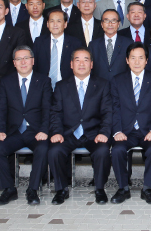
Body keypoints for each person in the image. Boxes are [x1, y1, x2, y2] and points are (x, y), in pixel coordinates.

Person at [48, 48, 113, 205]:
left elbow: (108, 112)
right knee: (55, 150)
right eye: (77, 60)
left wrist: (104, 132)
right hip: (69, 133)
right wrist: (56, 132)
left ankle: (99, 189)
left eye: (86, 60)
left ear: (91, 64)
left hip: (94, 133)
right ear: (71, 64)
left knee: (103, 150)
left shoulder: (102, 85)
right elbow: (55, 113)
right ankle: (61, 189)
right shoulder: (61, 86)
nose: (81, 63)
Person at [0, 45, 51, 206]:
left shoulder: (44, 81)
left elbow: (48, 109)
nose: (23, 62)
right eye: (19, 59)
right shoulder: (6, 82)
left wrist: (44, 130)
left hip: (35, 131)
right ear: (14, 63)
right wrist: (0, 130)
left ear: (33, 61)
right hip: (13, 131)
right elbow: (0, 109)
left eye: (26, 58)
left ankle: (33, 189)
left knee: (43, 148)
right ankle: (9, 189)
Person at [109, 42, 151, 204]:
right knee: (117, 150)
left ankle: (147, 189)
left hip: (148, 130)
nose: (137, 61)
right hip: (126, 131)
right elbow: (115, 108)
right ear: (127, 60)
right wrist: (117, 131)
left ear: (147, 60)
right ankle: (123, 188)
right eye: (133, 58)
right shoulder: (117, 80)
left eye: (141, 58)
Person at [33, 9, 82, 89]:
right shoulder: (39, 42)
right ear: (47, 24)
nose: (55, 24)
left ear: (65, 24)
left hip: (67, 87)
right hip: (42, 87)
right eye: (52, 21)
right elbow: (34, 66)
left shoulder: (75, 43)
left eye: (59, 21)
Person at [87, 9, 131, 81]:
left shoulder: (128, 43)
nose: (110, 24)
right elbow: (89, 68)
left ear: (118, 24)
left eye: (113, 21)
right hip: (99, 87)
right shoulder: (93, 45)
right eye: (106, 20)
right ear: (102, 24)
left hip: (122, 86)